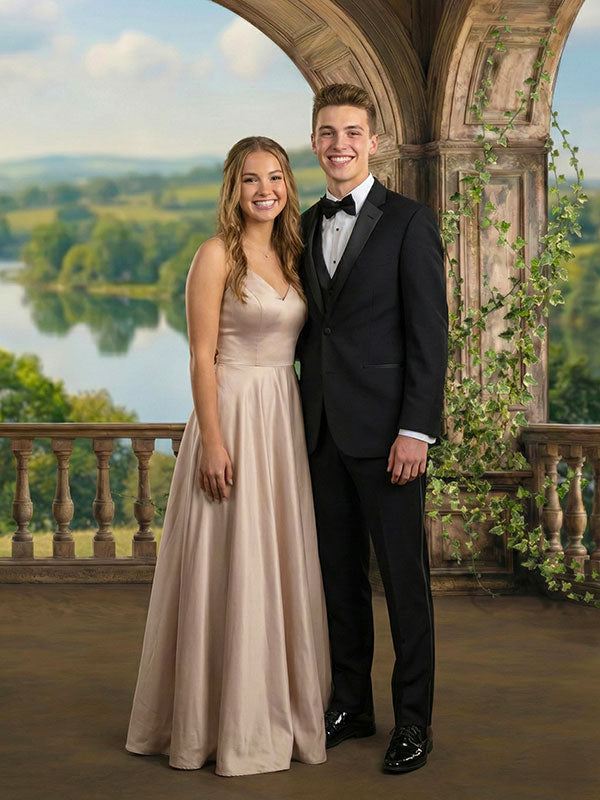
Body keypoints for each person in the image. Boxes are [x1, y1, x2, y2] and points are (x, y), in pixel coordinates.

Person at [126, 136, 331, 777]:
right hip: (234, 413)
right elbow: (200, 356)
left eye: (275, 177)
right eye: (250, 180)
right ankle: (213, 722)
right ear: (232, 189)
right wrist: (212, 441)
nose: (264, 189)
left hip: (282, 418)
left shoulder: (296, 255)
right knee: (227, 561)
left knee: (275, 560)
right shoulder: (216, 255)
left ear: (288, 187)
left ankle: (275, 707)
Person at [297, 84, 448, 774]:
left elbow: (429, 338)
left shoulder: (410, 222)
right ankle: (350, 706)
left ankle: (412, 722)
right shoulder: (300, 224)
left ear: (374, 141)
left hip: (391, 440)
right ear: (314, 141)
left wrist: (416, 430)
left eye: (352, 133)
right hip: (321, 434)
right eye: (328, 133)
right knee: (339, 582)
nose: (339, 145)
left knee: (405, 585)